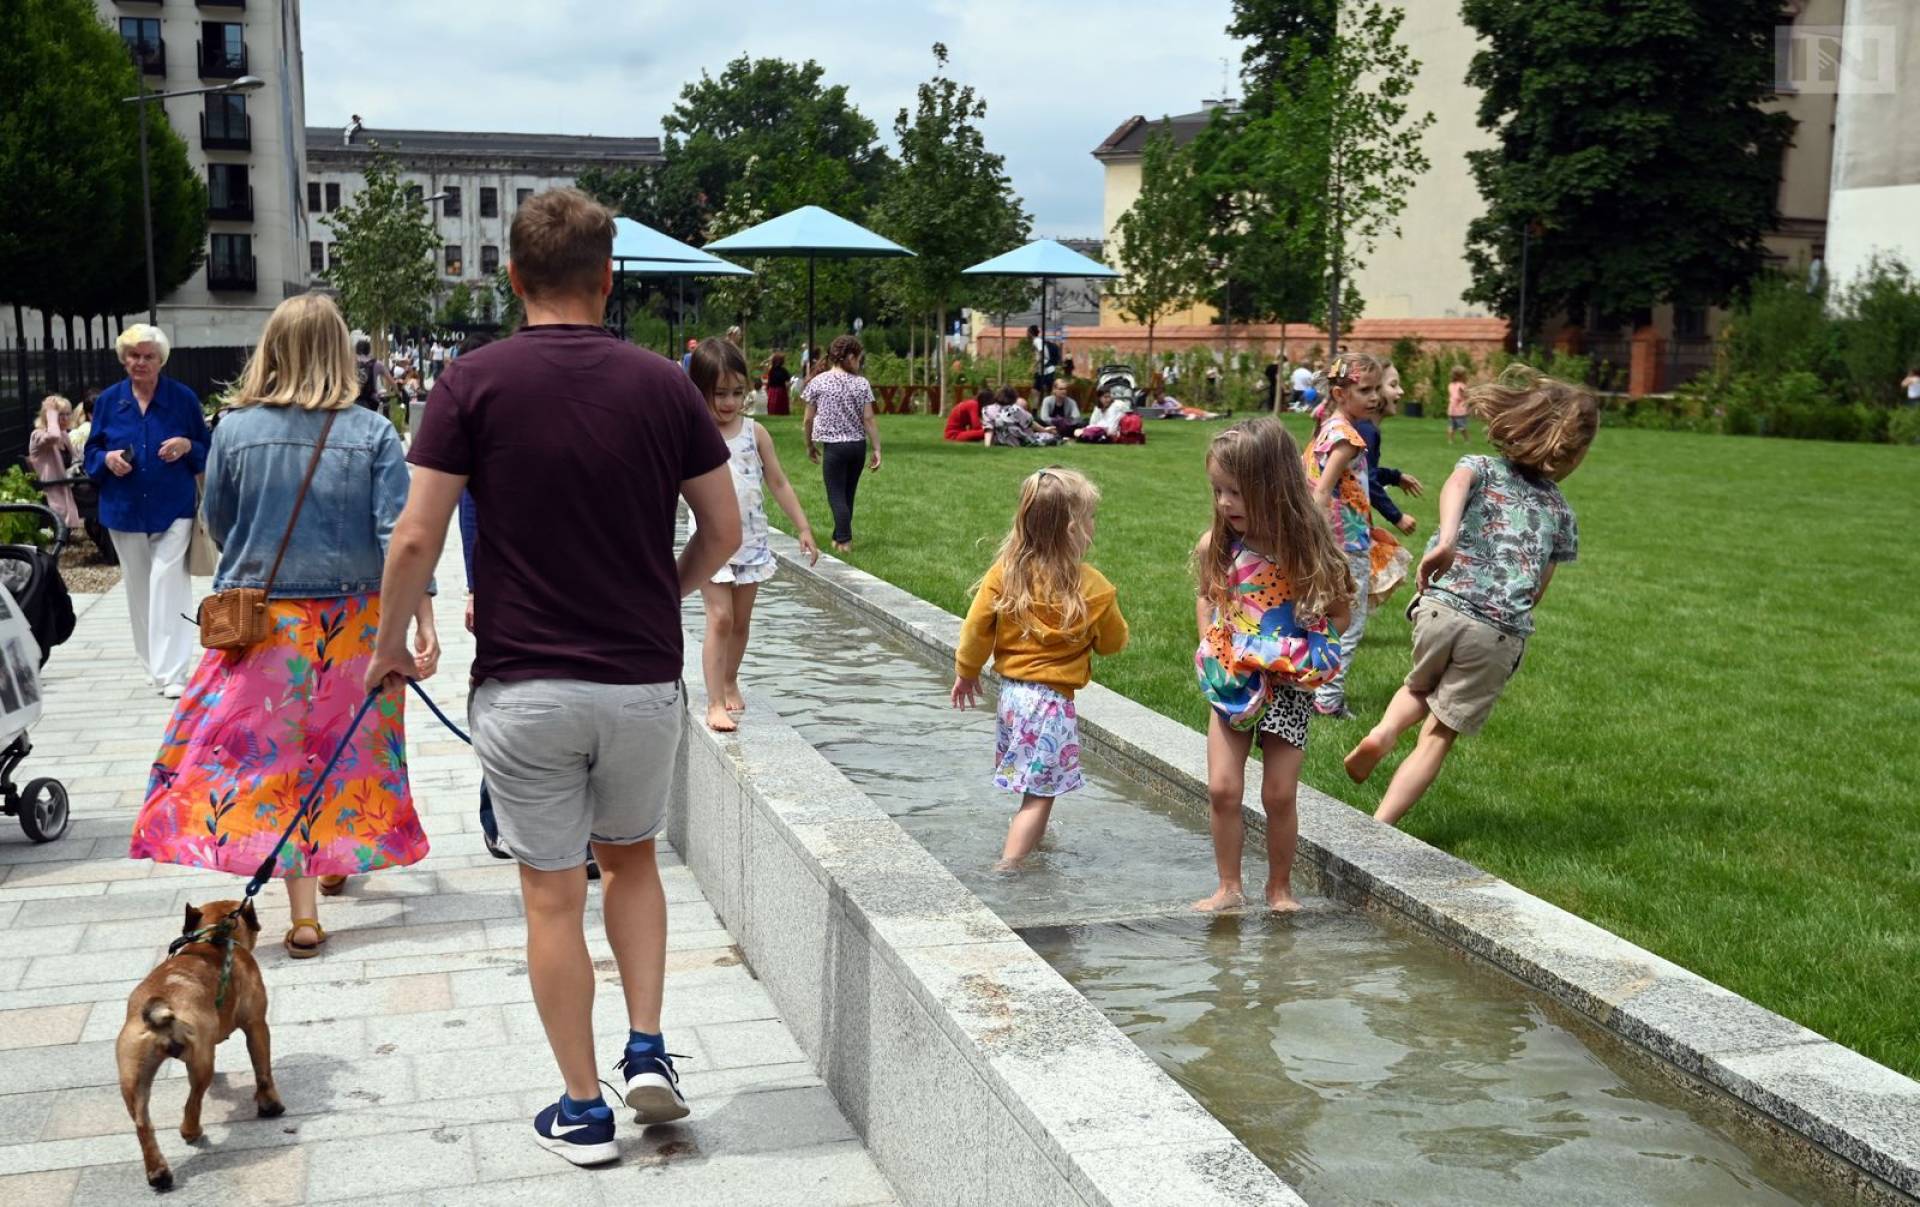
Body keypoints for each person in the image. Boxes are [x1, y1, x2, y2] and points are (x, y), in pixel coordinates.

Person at [365, 187, 741, 1166]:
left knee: (550, 896)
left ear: (513, 278)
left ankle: (582, 1107)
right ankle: (648, 1045)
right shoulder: (666, 386)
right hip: (639, 679)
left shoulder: (472, 382)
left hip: (526, 683)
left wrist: (388, 646)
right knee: (633, 859)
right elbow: (727, 530)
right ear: (608, 278)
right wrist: (665, 591)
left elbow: (415, 535)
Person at [129, 292, 437, 958]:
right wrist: (423, 619)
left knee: (274, 761)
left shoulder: (234, 430)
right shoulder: (373, 432)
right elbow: (398, 537)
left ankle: (302, 913)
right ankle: (328, 862)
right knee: (345, 751)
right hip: (355, 623)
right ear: (338, 352)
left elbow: (221, 524)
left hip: (264, 622)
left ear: (270, 349)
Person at [1344, 366, 1596, 825]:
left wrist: (1446, 542)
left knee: (1418, 686)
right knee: (1438, 734)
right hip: (1496, 632)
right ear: (1571, 454)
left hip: (1440, 607)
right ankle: (1380, 825)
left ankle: (1383, 732)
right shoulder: (1561, 510)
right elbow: (1539, 586)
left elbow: (1456, 484)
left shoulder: (1479, 465)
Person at [1192, 419, 1351, 912]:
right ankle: (1228, 887)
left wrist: (1310, 648)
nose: (1224, 504)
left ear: (1272, 487)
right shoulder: (1218, 545)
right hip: (1236, 681)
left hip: (1286, 687)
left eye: (1235, 493)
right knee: (1222, 787)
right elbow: (1206, 595)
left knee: (1280, 794)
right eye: (1218, 491)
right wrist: (1211, 645)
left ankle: (1279, 887)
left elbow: (1342, 611)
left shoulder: (1307, 549)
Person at [952, 467, 1127, 868]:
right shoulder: (1094, 587)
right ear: (1072, 528)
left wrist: (967, 671)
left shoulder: (1006, 575)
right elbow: (1114, 643)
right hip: (1051, 706)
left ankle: (1033, 845)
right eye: (1090, 518)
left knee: (1033, 782)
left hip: (1013, 698)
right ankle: (1009, 866)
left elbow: (976, 629)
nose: (1093, 525)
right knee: (1040, 795)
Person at [689, 337, 819, 732]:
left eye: (737, 393)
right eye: (719, 394)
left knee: (742, 623)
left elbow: (777, 482)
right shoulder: (694, 434)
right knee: (720, 618)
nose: (729, 403)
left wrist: (803, 526)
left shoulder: (754, 433)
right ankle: (714, 703)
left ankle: (729, 679)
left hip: (752, 542)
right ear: (699, 392)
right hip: (709, 544)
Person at [84, 324, 209, 698]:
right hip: (124, 509)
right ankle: (152, 664)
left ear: (160, 360)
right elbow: (90, 453)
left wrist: (187, 445)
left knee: (167, 581)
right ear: (124, 360)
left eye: (148, 356)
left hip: (174, 506)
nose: (140, 362)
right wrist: (106, 458)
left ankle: (173, 671)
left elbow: (206, 444)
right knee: (139, 586)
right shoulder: (109, 401)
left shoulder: (182, 398)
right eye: (134, 355)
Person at [1305, 354, 1384, 719]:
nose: (1375, 397)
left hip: (1337, 538)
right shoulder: (1347, 438)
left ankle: (1311, 686)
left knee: (1320, 616)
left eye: (1377, 389)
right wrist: (1322, 542)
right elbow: (1322, 491)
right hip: (1344, 545)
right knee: (1348, 621)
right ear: (1340, 392)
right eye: (1365, 390)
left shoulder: (1328, 426)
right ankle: (1328, 699)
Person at [802, 335, 882, 554]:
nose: (859, 364)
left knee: (836, 495)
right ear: (850, 357)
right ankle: (838, 538)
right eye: (859, 359)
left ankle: (845, 541)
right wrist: (876, 448)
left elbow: (808, 419)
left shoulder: (818, 382)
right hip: (857, 446)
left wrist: (809, 444)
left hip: (834, 448)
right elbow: (868, 418)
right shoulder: (861, 383)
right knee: (847, 494)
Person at [1355, 363, 1423, 606]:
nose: (1401, 392)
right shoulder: (1365, 430)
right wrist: (1397, 517)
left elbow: (1365, 472)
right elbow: (1366, 479)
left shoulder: (1364, 428)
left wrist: (1395, 477)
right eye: (1393, 385)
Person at [28, 395, 80, 530]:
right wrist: (51, 412)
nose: (65, 418)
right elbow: (53, 436)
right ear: (48, 416)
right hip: (55, 491)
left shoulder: (64, 435)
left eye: (68, 414)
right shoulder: (38, 436)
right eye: (60, 414)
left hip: (70, 487)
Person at [353, 337, 391, 415]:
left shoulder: (350, 363)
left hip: (354, 399)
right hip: (371, 401)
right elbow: (391, 380)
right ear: (369, 350)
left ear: (356, 350)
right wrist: (398, 393)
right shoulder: (377, 363)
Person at [1028, 324, 1058, 398]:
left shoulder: (1037, 341)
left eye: (1028, 332)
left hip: (1047, 370)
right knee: (1037, 390)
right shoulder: (1038, 341)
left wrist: (1033, 366)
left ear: (1030, 332)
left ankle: (1050, 406)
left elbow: (1041, 355)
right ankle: (1035, 409)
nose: (1027, 334)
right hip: (1043, 370)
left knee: (1047, 391)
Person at [1446, 365, 1472, 443]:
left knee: (1451, 426)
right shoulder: (1462, 386)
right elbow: (1465, 395)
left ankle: (1450, 440)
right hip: (1460, 410)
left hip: (1451, 409)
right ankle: (1467, 440)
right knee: (1462, 426)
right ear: (1462, 376)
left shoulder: (1450, 385)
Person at [764, 351, 792, 416]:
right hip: (781, 391)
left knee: (773, 407)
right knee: (781, 407)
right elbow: (788, 382)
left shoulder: (771, 370)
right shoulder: (783, 371)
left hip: (772, 390)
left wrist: (767, 389)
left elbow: (769, 381)